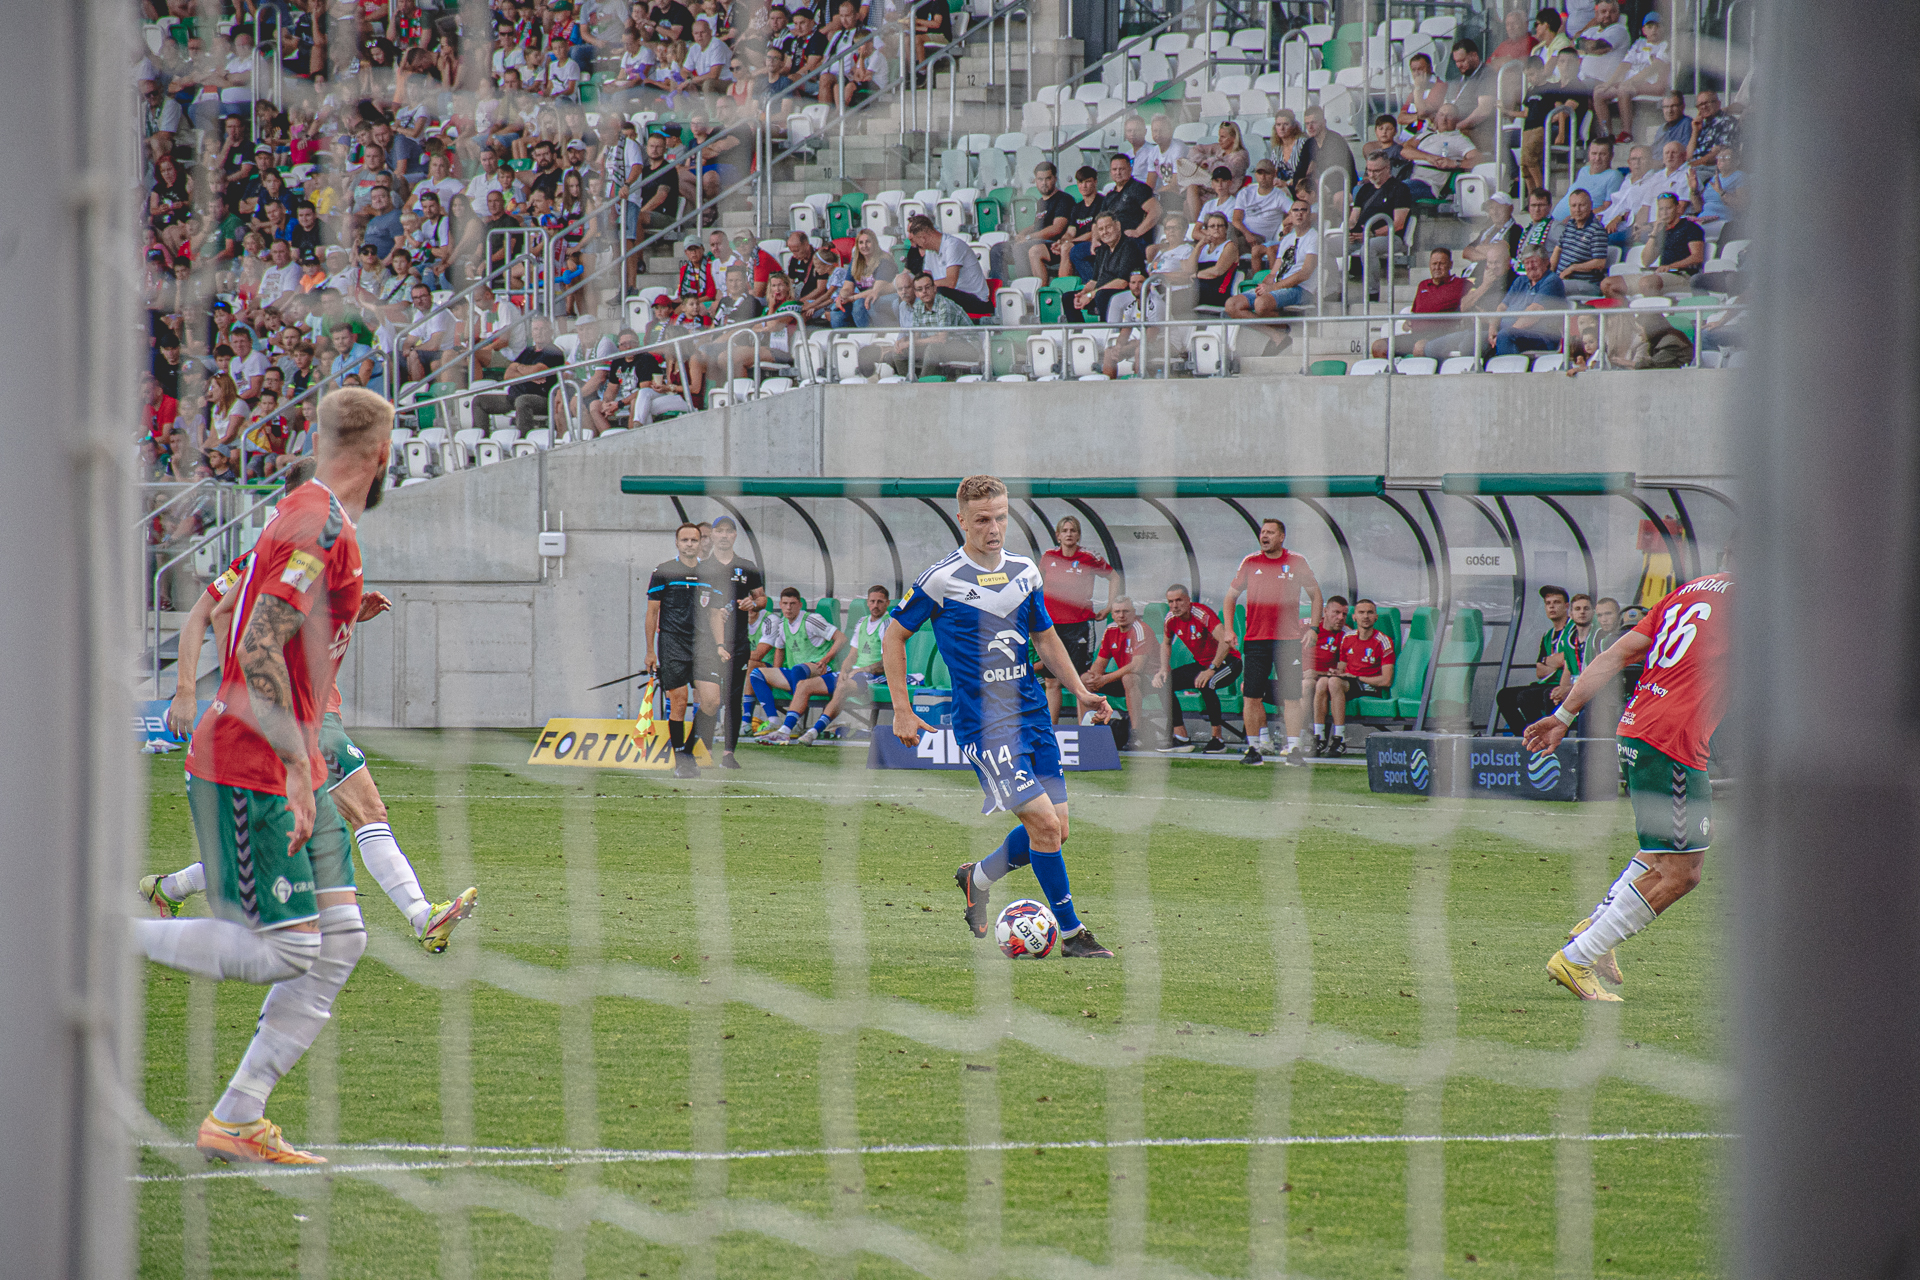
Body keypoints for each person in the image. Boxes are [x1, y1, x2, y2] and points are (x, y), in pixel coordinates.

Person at [130, 388, 392, 1166]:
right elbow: (256, 648)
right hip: (252, 758)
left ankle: (238, 1116)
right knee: (286, 952)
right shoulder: (317, 525)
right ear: (382, 454)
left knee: (341, 939)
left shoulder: (310, 516)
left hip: (287, 752)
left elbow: (262, 622)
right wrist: (298, 767)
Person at [143, 472, 478, 952]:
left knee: (284, 835)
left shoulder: (323, 553)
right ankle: (421, 915)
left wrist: (349, 613)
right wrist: (192, 688)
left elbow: (295, 622)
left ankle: (170, 888)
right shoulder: (269, 558)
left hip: (310, 709)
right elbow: (212, 612)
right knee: (365, 810)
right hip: (295, 713)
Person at [885, 475, 1115, 959]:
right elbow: (894, 636)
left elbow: (1045, 637)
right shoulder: (941, 579)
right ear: (962, 520)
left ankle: (978, 877)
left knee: (1057, 830)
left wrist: (1080, 690)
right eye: (983, 519)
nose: (994, 528)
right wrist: (902, 709)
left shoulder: (1025, 571)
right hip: (986, 727)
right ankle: (1072, 935)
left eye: (1002, 517)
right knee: (1045, 827)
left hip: (1032, 715)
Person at [1527, 564, 1733, 1001]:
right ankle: (1579, 956)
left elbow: (1613, 655)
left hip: (1639, 726)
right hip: (1672, 741)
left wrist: (1564, 716)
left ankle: (1595, 929)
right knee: (1682, 873)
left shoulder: (1687, 592)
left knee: (1669, 846)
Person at [1219, 517, 1322, 765]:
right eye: (1262, 532)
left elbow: (1316, 595)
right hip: (1256, 640)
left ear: (1281, 537)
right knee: (1251, 696)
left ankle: (1294, 749)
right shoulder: (1250, 562)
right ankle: (1253, 749)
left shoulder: (1296, 561)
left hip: (1288, 641)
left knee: (1291, 697)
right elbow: (1230, 597)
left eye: (1270, 532)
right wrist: (1229, 630)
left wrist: (1314, 628)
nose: (1264, 536)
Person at [646, 522, 729, 776]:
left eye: (694, 540)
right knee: (679, 702)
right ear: (677, 543)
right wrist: (650, 651)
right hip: (672, 643)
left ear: (701, 542)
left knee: (712, 701)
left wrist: (720, 645)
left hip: (704, 646)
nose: (690, 544)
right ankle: (681, 761)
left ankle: (688, 752)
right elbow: (652, 613)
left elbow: (715, 613)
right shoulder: (664, 571)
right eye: (685, 540)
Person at [696, 515, 765, 765]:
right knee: (709, 699)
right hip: (708, 644)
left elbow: (762, 598)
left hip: (738, 641)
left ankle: (728, 754)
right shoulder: (702, 568)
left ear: (735, 535)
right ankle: (704, 749)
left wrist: (752, 603)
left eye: (729, 531)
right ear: (712, 535)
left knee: (733, 698)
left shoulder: (746, 566)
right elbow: (695, 604)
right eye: (719, 531)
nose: (724, 535)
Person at [1038, 515, 1117, 723]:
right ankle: (1052, 730)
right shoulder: (1048, 557)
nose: (1069, 534)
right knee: (1052, 681)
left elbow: (1114, 577)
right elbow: (1036, 584)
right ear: (1058, 535)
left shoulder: (1088, 557)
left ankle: (1084, 730)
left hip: (1079, 626)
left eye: (1073, 530)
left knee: (1081, 681)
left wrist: (1109, 606)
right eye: (1064, 531)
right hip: (1052, 627)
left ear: (1079, 535)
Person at [1153, 583, 1242, 753]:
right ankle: (1181, 737)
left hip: (1229, 662)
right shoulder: (1170, 618)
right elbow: (1166, 643)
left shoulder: (1201, 614)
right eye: (1170, 602)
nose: (1174, 605)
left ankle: (1217, 739)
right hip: (1203, 664)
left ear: (1188, 600)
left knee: (1207, 683)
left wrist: (1211, 669)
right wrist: (1163, 669)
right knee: (1165, 683)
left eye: (1179, 600)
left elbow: (1225, 642)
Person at [748, 587, 844, 741]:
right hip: (796, 673)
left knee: (799, 669)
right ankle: (773, 720)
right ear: (780, 604)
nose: (788, 607)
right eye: (785, 603)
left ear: (800, 605)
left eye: (792, 604)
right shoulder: (782, 624)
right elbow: (779, 649)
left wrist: (826, 659)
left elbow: (841, 638)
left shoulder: (811, 620)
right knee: (756, 673)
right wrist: (776, 671)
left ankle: (797, 723)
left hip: (820, 670)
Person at [800, 584, 891, 742]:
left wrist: (860, 670)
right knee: (805, 685)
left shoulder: (887, 623)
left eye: (880, 602)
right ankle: (786, 729)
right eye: (872, 601)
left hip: (875, 676)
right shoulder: (862, 621)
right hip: (855, 673)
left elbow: (887, 663)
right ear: (867, 602)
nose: (875, 605)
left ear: (887, 603)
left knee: (842, 686)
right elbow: (852, 654)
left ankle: (814, 731)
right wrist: (844, 670)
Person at [1225, 198, 1317, 354]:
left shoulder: (1314, 237)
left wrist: (1273, 287)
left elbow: (1305, 273)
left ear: (1310, 214)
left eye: (1304, 210)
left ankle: (1283, 327)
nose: (1299, 213)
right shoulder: (1287, 239)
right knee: (1232, 304)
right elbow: (1274, 272)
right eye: (1295, 210)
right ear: (1290, 215)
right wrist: (1265, 284)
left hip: (1301, 288)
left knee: (1261, 304)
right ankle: (1277, 335)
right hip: (1279, 286)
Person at [1321, 598, 1396, 755]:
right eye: (1361, 613)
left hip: (1370, 686)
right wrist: (1336, 673)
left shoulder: (1384, 641)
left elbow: (1386, 680)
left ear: (1376, 617)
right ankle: (1319, 737)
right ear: (1354, 617)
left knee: (1334, 683)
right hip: (1351, 683)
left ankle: (1339, 739)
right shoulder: (1347, 638)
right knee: (1323, 682)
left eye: (1370, 613)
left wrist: (1356, 677)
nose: (1365, 616)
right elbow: (1341, 668)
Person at [1495, 584, 1571, 734]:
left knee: (1527, 697)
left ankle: (1541, 736)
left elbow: (1566, 658)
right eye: (1548, 603)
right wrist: (1555, 662)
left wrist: (1552, 661)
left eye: (1556, 602)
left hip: (1564, 685)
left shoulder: (1573, 629)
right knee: (1504, 696)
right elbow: (1540, 671)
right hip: (1546, 683)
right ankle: (1524, 735)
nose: (1552, 607)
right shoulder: (1548, 635)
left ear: (1566, 606)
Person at [1082, 596, 1156, 750]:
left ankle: (1136, 734)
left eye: (1126, 611)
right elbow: (1100, 663)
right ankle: (1087, 730)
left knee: (1130, 678)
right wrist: (1093, 678)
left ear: (1134, 613)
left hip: (1152, 681)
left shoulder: (1141, 629)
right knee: (1084, 680)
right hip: (1123, 679)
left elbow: (1137, 666)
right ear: (1113, 614)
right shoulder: (1111, 630)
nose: (1121, 615)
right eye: (1117, 612)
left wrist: (1105, 679)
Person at [472, 315, 565, 433]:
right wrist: (526, 373)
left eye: (543, 329)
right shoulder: (528, 351)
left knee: (522, 401)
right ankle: (481, 439)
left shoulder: (554, 352)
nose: (539, 332)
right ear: (531, 333)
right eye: (536, 329)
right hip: (514, 396)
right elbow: (508, 375)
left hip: (542, 398)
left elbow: (537, 371)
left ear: (550, 332)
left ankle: (523, 439)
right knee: (479, 401)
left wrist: (518, 368)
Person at [1602, 191, 1704, 299]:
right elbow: (1646, 261)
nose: (1664, 213)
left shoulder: (1690, 227)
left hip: (1681, 274)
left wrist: (1671, 266)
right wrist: (1654, 232)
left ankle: (1654, 310)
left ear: (1677, 207)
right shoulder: (1661, 231)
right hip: (1659, 275)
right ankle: (1625, 310)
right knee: (1608, 284)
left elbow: (1697, 257)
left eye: (1668, 208)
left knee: (1647, 283)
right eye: (1661, 209)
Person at [1374, 246, 1466, 359]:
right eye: (1434, 264)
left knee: (1419, 347)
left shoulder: (1461, 284)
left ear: (1450, 265)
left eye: (1441, 263)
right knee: (1379, 346)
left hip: (1441, 335)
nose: (1437, 267)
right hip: (1416, 335)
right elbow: (1414, 312)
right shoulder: (1423, 285)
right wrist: (1408, 321)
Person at [1590, 13, 1668, 142]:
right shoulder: (1639, 43)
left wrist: (1629, 82)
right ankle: (1607, 134)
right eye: (1650, 26)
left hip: (1654, 85)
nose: (1654, 30)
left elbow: (1652, 69)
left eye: (1657, 26)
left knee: (1624, 89)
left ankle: (1626, 132)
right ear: (1644, 30)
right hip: (1631, 84)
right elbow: (1624, 65)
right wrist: (1609, 83)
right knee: (1599, 92)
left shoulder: (1665, 45)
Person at [1345, 154, 1412, 300]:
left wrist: (1372, 234)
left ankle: (1372, 293)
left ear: (1387, 168)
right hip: (1361, 234)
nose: (1371, 174)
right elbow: (1354, 217)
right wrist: (1349, 230)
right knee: (1327, 245)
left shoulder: (1400, 189)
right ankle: (1332, 289)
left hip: (1390, 237)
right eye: (1368, 170)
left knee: (1369, 247)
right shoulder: (1364, 190)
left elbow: (1398, 223)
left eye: (1376, 171)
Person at [1000, 161, 1074, 282]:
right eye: (1040, 179)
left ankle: (1027, 286)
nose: (1044, 183)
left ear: (1055, 179)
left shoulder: (1064, 199)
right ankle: (1000, 286)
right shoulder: (1041, 202)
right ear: (1035, 181)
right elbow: (1037, 225)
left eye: (1048, 178)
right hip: (1036, 241)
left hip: (1053, 244)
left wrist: (1029, 237)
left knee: (1020, 247)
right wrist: (1022, 234)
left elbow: (1057, 228)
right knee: (998, 250)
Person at [1494, 248, 1569, 356]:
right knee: (1476, 337)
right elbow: (1502, 307)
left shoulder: (1552, 280)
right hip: (1511, 334)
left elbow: (1534, 313)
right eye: (1526, 263)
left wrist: (1504, 333)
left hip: (1543, 337)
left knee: (1505, 336)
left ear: (1546, 262)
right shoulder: (1520, 281)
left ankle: (1507, 367)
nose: (1530, 266)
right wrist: (1493, 330)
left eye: (1534, 262)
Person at [1399, 103, 1480, 202]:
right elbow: (1405, 151)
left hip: (1430, 185)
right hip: (1412, 178)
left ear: (1457, 119)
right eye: (1441, 115)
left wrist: (1455, 163)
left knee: (1399, 192)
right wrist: (1428, 157)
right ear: (1436, 117)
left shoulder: (1460, 139)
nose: (1444, 119)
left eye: (1449, 116)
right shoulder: (1426, 135)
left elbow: (1479, 160)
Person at [1552, 188, 1610, 298]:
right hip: (1563, 280)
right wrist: (1550, 273)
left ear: (1590, 205)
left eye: (1582, 205)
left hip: (1587, 283)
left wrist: (1573, 268)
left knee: (1552, 288)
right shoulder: (1569, 224)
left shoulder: (1596, 230)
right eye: (1573, 206)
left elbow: (1600, 262)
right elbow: (1558, 249)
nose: (1577, 210)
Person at [1551, 138, 1624, 222]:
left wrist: (1574, 218)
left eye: (1602, 154)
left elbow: (1608, 207)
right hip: (1556, 221)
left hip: (1575, 224)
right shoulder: (1584, 170)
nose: (1597, 158)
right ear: (1589, 154)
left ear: (1611, 156)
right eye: (1594, 154)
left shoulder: (1614, 176)